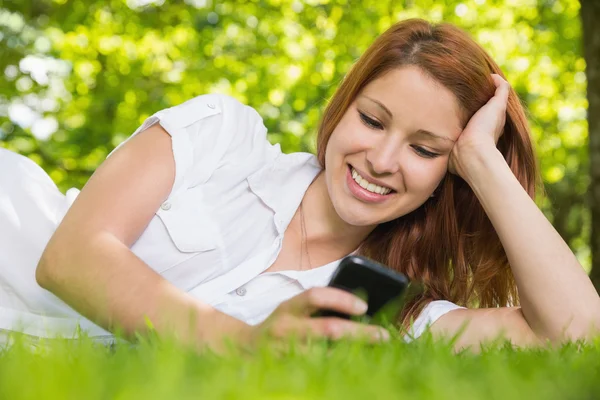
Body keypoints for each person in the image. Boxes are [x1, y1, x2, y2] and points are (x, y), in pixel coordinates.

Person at [1, 18, 599, 352]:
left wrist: (484, 164)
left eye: (425, 149)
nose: (383, 159)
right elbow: (70, 258)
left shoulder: (386, 316)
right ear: (342, 107)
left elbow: (579, 335)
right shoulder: (223, 136)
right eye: (371, 119)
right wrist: (245, 344)